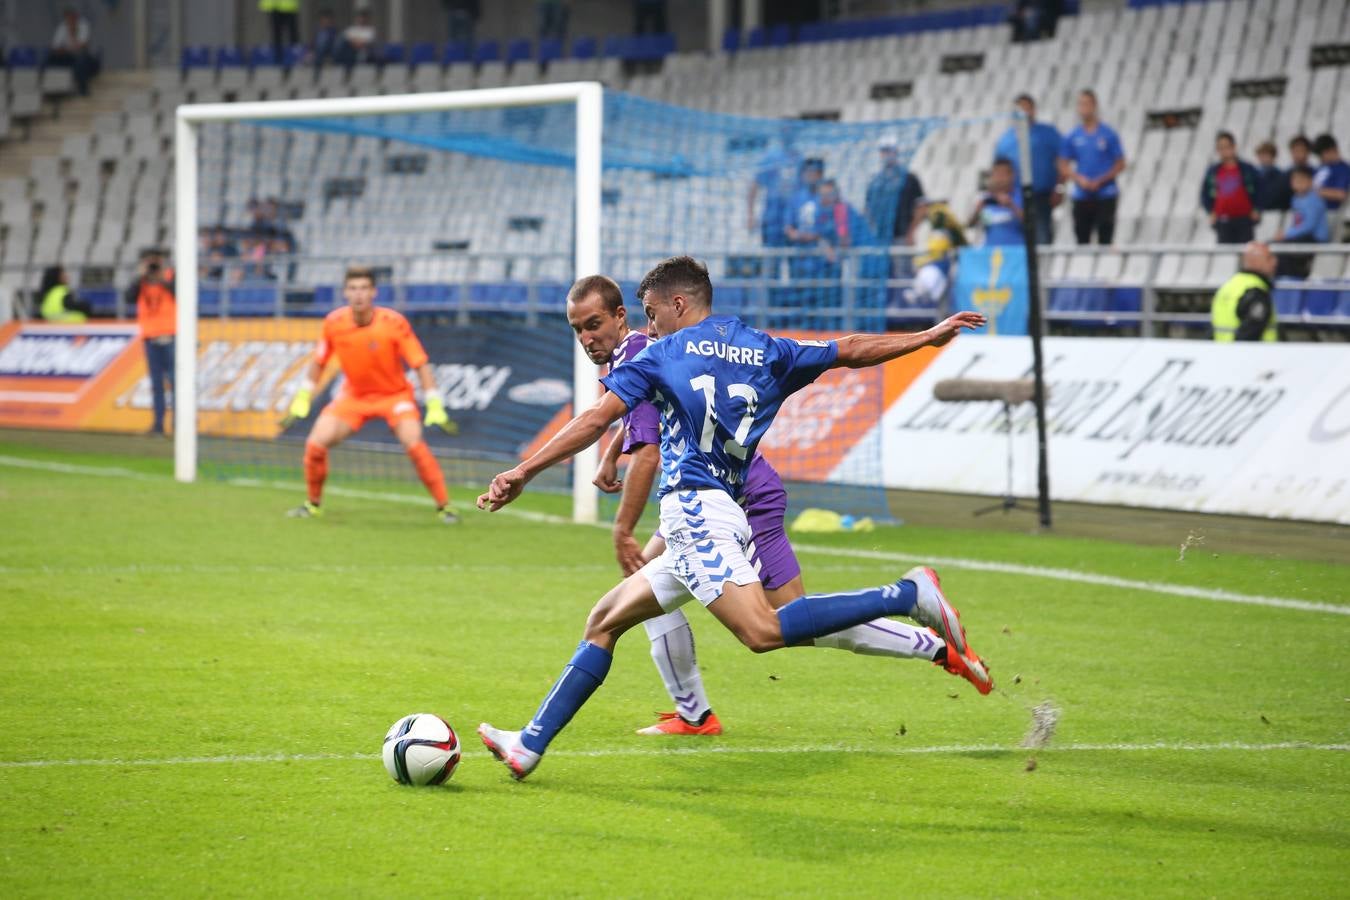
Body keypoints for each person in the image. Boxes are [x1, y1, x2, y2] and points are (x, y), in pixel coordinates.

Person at [475, 256, 990, 781]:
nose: (649, 327)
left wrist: (524, 470)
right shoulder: (766, 348)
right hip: (723, 507)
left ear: (678, 304)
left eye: (652, 313)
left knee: (763, 630)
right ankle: (530, 744)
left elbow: (594, 419)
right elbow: (851, 349)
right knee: (604, 621)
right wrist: (926, 337)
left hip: (695, 510)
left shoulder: (662, 354)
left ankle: (905, 594)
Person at [568, 278, 970, 737]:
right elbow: (653, 413)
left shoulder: (647, 351)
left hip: (741, 497)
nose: (586, 338)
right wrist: (611, 451)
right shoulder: (651, 348)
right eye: (578, 329)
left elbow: (647, 450)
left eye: (593, 324)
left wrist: (622, 526)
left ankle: (925, 632)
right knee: (645, 593)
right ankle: (694, 713)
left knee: (787, 621)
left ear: (623, 316)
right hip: (708, 495)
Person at [285, 266, 458, 522]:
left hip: (394, 396)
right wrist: (302, 397)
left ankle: (445, 507)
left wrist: (434, 403)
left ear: (374, 292)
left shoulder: (394, 323)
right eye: (353, 288)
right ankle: (312, 504)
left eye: (364, 288)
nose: (359, 294)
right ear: (345, 293)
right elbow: (319, 362)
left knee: (414, 443)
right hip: (354, 397)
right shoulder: (334, 323)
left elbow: (420, 363)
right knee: (315, 444)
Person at [993, 94, 1063, 244]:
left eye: (1027, 108)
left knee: (1041, 237)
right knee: (1018, 239)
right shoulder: (1005, 140)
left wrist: (1059, 188)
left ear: (1033, 110)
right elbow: (997, 170)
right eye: (1020, 109)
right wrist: (998, 193)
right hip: (1015, 197)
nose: (1023, 112)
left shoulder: (1048, 134)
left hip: (1041, 195)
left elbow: (1063, 162)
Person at [1060, 89, 1126, 245]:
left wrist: (1101, 180)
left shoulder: (1108, 134)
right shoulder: (1073, 135)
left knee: (1105, 239)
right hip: (1082, 194)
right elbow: (1062, 164)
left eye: (1087, 104)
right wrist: (1079, 179)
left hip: (1105, 193)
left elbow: (1121, 163)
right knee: (1082, 240)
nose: (1084, 108)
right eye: (1081, 104)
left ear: (1094, 106)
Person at [124, 250, 176, 436]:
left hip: (171, 335)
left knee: (175, 382)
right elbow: (128, 298)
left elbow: (181, 294)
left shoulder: (171, 277)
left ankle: (179, 425)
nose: (152, 266)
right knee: (156, 383)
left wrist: (162, 278)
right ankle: (158, 425)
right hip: (150, 337)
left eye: (155, 262)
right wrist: (140, 276)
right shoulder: (141, 282)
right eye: (149, 262)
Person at [864, 134, 925, 274]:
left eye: (889, 150)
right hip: (880, 237)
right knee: (882, 274)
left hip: (901, 237)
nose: (886, 154)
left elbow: (922, 207)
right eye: (884, 151)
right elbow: (867, 209)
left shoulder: (909, 178)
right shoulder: (876, 181)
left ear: (896, 152)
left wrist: (911, 232)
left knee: (902, 275)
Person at [1200, 131, 1262, 244]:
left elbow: (1260, 190)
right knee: (1224, 253)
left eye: (1227, 146)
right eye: (1221, 147)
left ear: (1234, 147)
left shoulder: (1247, 168)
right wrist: (1210, 212)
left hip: (1245, 219)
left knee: (1246, 251)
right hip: (1222, 220)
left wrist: (1257, 209)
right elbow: (1204, 194)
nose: (1224, 150)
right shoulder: (1213, 171)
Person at [1211, 242, 1277, 342]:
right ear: (1256, 261)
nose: (1275, 262)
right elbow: (1249, 334)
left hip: (1222, 349)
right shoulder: (1256, 290)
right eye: (1269, 258)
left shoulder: (1227, 286)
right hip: (1253, 352)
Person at [1273, 165, 1330, 280]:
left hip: (1314, 238)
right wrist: (1286, 235)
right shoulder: (1295, 199)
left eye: (1301, 180)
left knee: (1285, 248)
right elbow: (1297, 222)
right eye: (1295, 180)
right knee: (1273, 245)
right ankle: (1281, 278)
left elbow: (1309, 226)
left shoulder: (1314, 199)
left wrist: (1287, 234)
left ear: (1310, 181)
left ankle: (1293, 279)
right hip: (1301, 236)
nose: (1298, 183)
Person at [968, 158, 1025, 246]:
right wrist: (977, 211)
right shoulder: (985, 198)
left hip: (1015, 250)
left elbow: (1030, 223)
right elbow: (970, 225)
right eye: (996, 174)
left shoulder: (1022, 196)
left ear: (1012, 176)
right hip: (990, 251)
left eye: (1003, 174)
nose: (999, 178)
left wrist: (1011, 206)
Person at [48, 7, 99, 96]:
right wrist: (67, 49)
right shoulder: (62, 27)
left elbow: (83, 46)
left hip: (85, 59)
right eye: (68, 18)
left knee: (80, 63)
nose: (70, 21)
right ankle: (50, 89)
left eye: (72, 18)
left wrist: (72, 34)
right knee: (49, 58)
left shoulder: (83, 25)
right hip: (68, 57)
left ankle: (83, 90)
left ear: (76, 17)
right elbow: (55, 47)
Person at [1311, 134, 1349, 220]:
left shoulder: (1343, 169)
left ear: (1332, 149)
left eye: (1321, 154)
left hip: (1329, 213)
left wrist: (1313, 191)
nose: (1320, 158)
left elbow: (1341, 194)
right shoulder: (1320, 167)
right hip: (1312, 211)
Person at [1253, 141, 1290, 212]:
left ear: (1273, 156)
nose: (1264, 158)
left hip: (1274, 211)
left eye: (1266, 155)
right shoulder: (1254, 174)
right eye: (1261, 155)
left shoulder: (1281, 176)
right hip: (1258, 211)